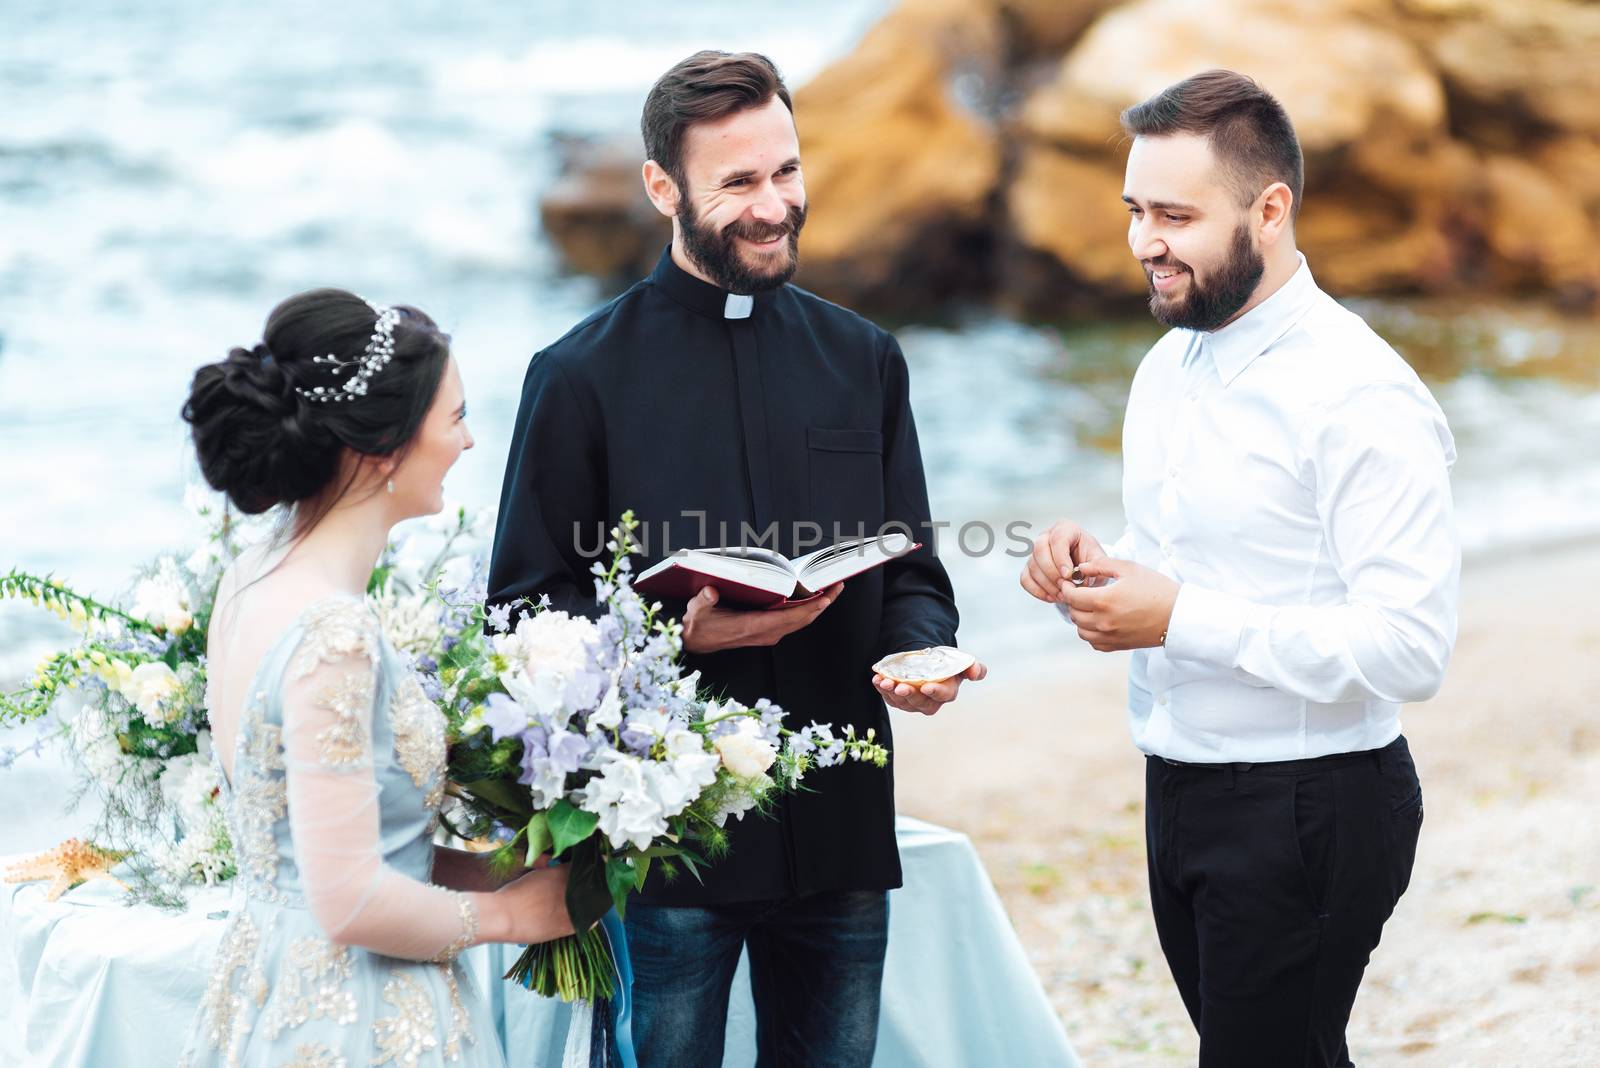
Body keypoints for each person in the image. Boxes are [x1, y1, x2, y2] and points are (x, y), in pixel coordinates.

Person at [487, 51, 983, 1068]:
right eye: (741, 183)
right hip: (668, 847)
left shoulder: (864, 360)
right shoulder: (578, 379)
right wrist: (667, 631)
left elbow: (913, 574)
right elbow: (522, 611)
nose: (774, 207)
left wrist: (920, 653)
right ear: (663, 188)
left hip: (838, 823)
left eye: (787, 172)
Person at [1020, 70, 1459, 1067]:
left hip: (1314, 805)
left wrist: (1176, 617)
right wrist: (1096, 575)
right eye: (1135, 210)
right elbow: (1209, 570)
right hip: (1179, 789)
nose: (1143, 242)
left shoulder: (1360, 396)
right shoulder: (1163, 367)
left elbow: (1411, 647)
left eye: (1175, 214)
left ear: (1270, 210)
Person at [177, 288, 573, 1067]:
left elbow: (309, 847)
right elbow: (349, 898)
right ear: (384, 448)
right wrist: (517, 918)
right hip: (360, 1016)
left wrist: (500, 867)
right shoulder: (336, 633)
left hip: (266, 983)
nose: (467, 442)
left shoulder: (250, 577)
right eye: (455, 417)